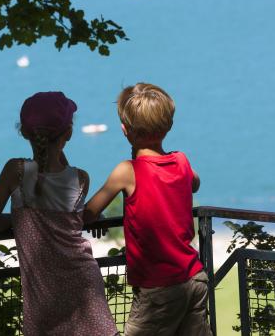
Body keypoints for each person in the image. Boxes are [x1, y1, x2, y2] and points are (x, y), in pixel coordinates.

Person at [0, 92, 118, 336]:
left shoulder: (16, 172)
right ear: (69, 134)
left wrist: (21, 222)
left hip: (44, 295)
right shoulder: (80, 179)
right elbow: (69, 213)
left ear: (24, 132)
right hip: (84, 285)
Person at [84, 83, 210, 336]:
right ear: (169, 126)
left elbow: (88, 213)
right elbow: (194, 183)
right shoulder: (181, 160)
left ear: (125, 130)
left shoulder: (127, 171)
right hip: (194, 278)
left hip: (158, 289)